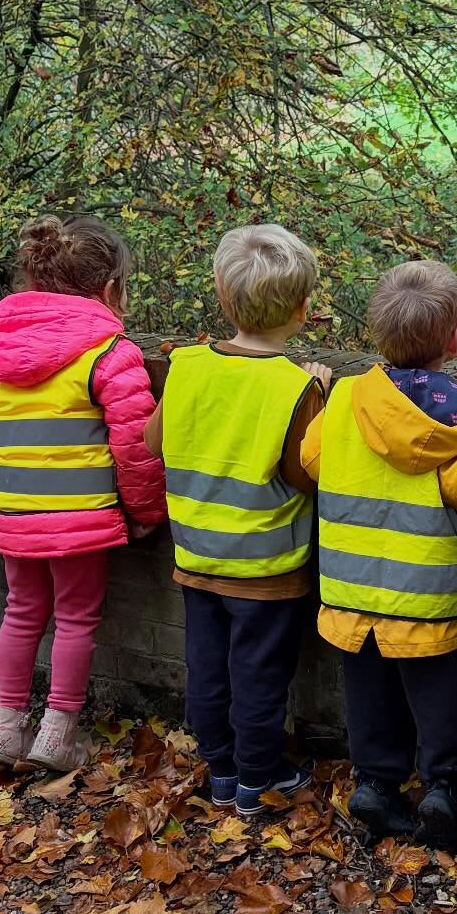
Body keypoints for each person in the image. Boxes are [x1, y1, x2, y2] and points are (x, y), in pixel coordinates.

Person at [304, 260, 457, 850]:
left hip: (350, 588)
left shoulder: (345, 401)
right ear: (456, 339)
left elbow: (312, 461)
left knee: (368, 693)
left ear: (374, 333)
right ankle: (441, 786)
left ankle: (376, 784)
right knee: (437, 692)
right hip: (427, 595)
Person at [144, 226, 328, 817]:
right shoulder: (294, 385)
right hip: (266, 564)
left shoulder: (188, 366)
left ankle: (220, 768)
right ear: (303, 311)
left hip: (197, 555)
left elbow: (154, 440)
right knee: (258, 674)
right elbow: (306, 475)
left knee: (207, 669)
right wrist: (320, 393)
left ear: (222, 295)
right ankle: (258, 775)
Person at [0, 216, 166, 772]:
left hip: (14, 507)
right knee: (77, 618)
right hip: (80, 517)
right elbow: (135, 449)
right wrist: (147, 512)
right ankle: (57, 734)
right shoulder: (110, 352)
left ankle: (7, 729)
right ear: (109, 290)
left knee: (21, 611)